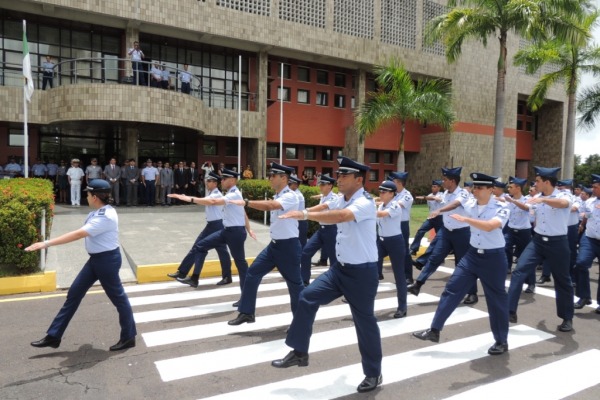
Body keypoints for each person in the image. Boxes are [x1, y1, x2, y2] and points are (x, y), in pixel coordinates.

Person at [271, 156, 382, 394]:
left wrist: (304, 216)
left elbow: (341, 216)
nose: (339, 179)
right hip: (339, 270)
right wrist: (305, 210)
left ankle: (373, 373)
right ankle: (300, 352)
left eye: (344, 176)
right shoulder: (342, 197)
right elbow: (327, 206)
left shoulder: (365, 202)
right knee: (306, 297)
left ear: (359, 179)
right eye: (339, 175)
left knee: (364, 323)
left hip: (362, 273)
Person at [27, 179, 137, 351]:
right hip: (96, 260)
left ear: (95, 197)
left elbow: (79, 234)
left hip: (107, 261)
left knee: (119, 299)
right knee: (74, 293)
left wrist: (46, 243)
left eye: (88, 194)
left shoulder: (105, 216)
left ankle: (129, 337)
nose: (86, 197)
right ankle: (54, 336)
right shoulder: (96, 212)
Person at [413, 173, 510, 355]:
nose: (476, 191)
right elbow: (456, 203)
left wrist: (466, 220)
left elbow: (490, 226)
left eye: (480, 188)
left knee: (496, 300)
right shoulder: (470, 203)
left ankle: (501, 341)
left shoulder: (501, 207)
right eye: (475, 187)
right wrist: (440, 211)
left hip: (493, 258)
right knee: (452, 288)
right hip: (472, 255)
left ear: (491, 189)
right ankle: (434, 330)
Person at [228, 162, 304, 325]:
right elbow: (273, 203)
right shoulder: (278, 195)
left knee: (295, 285)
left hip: (288, 247)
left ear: (284, 178)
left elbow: (271, 206)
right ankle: (247, 312)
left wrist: (246, 202)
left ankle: (300, 322)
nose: (269, 178)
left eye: (273, 176)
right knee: (252, 273)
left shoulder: (291, 196)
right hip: (274, 246)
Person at [507, 166, 574, 332]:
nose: (535, 184)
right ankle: (509, 311)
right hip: (537, 241)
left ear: (546, 181)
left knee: (562, 280)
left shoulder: (563, 194)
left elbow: (563, 204)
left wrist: (543, 200)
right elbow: (533, 215)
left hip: (558, 242)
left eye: (537, 181)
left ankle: (566, 318)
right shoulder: (536, 197)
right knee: (519, 271)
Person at [170, 168, 250, 293]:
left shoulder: (232, 194)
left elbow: (213, 201)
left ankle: (245, 293)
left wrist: (189, 199)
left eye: (224, 179)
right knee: (200, 246)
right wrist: (249, 229)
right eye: (221, 178)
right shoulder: (229, 193)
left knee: (239, 262)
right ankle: (194, 277)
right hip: (226, 230)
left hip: (232, 231)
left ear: (233, 180)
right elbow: (243, 211)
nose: (221, 181)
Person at [408, 167, 478, 305]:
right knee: (434, 258)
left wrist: (439, 210)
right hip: (446, 232)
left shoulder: (463, 193)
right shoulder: (445, 193)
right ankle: (418, 284)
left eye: (445, 180)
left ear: (452, 181)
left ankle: (472, 293)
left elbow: (455, 204)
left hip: (462, 233)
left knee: (463, 264)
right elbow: (437, 198)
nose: (442, 182)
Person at [376, 180, 408, 318]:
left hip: (395, 242)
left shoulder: (395, 206)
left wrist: (363, 210)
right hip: (381, 241)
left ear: (391, 194)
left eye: (383, 192)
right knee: (370, 266)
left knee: (399, 275)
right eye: (380, 191)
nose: (381, 194)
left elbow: (382, 215)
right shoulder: (381, 205)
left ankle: (402, 307)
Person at [299, 174, 337, 285]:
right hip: (321, 230)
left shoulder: (334, 198)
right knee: (306, 253)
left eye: (323, 184)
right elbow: (321, 199)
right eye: (320, 184)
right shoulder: (323, 196)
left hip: (332, 230)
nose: (320, 186)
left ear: (330, 186)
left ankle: (336, 283)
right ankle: (304, 280)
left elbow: (323, 207)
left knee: (334, 259)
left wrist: (306, 211)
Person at [573, 174, 600, 313]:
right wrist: (582, 224)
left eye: (595, 187)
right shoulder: (590, 202)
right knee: (581, 263)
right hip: (589, 238)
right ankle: (584, 296)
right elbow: (588, 215)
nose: (593, 189)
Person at [503, 177, 534, 291]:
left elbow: (526, 208)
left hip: (523, 232)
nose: (509, 189)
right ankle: (507, 267)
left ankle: (531, 283)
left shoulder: (527, 199)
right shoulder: (508, 200)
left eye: (511, 187)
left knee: (525, 258)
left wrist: (513, 201)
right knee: (505, 247)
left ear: (518, 188)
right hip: (511, 230)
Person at [388, 171, 414, 283]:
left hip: (402, 225)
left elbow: (397, 206)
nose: (391, 183)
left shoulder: (407, 196)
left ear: (399, 182)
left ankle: (408, 277)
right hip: (393, 225)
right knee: (394, 251)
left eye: (393, 181)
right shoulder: (394, 194)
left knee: (404, 251)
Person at [410, 180, 443, 256]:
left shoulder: (442, 195)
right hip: (431, 218)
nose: (433, 188)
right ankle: (414, 249)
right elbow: (430, 206)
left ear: (439, 188)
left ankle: (439, 252)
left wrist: (424, 197)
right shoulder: (429, 195)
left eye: (435, 187)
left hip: (440, 218)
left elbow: (435, 199)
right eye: (432, 186)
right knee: (420, 231)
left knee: (440, 236)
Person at [288, 175, 308, 249]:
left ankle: (302, 260)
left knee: (301, 245)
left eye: (291, 184)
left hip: (300, 222)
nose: (289, 185)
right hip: (296, 221)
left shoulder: (297, 195)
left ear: (296, 185)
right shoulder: (293, 193)